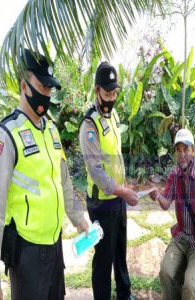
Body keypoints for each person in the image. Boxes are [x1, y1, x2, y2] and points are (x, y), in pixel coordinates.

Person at [0, 49, 88, 300]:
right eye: (41, 87)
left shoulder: (52, 132)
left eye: (49, 88)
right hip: (26, 255)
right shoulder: (6, 135)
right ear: (24, 85)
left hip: (54, 249)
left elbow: (63, 181)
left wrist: (78, 218)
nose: (46, 94)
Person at [79, 61, 138, 300]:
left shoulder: (112, 117)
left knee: (120, 251)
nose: (111, 98)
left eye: (114, 93)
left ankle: (124, 294)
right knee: (103, 258)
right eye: (107, 93)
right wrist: (122, 191)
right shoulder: (89, 125)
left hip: (117, 200)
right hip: (101, 204)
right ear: (96, 91)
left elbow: (116, 158)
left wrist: (124, 186)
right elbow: (97, 172)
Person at [149, 128, 195, 300]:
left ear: (193, 151)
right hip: (181, 236)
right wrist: (158, 195)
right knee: (165, 273)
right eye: (178, 150)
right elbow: (166, 204)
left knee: (190, 286)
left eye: (186, 149)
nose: (182, 154)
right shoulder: (174, 175)